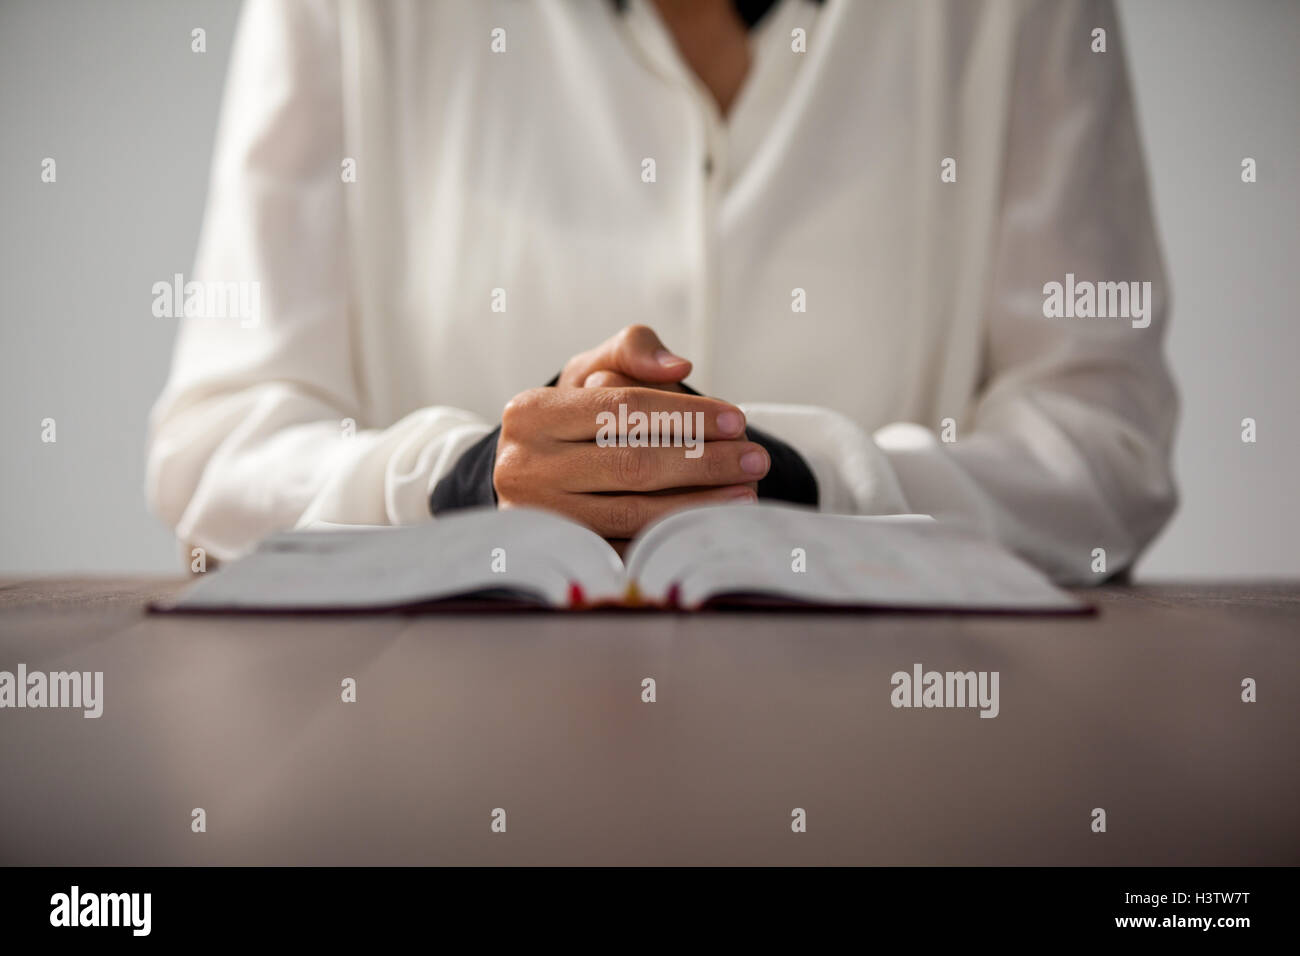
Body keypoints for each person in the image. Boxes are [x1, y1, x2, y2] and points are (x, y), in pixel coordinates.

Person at [146, 0, 1177, 584]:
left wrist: (810, 479)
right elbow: (221, 445)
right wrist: (465, 478)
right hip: (438, 772)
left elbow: (1101, 439)